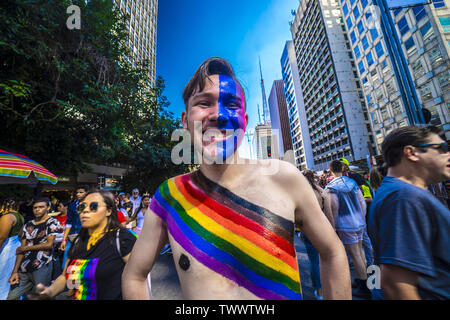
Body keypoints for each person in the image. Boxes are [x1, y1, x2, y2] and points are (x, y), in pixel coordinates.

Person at [122, 57, 351, 300]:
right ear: (184, 121)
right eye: (203, 103)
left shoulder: (284, 178)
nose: (219, 115)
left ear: (245, 122)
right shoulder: (170, 196)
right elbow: (134, 275)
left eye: (231, 105)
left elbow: (333, 251)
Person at [368, 125, 450, 300]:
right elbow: (397, 285)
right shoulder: (403, 197)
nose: (448, 154)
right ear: (411, 153)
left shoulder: (400, 192)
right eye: (441, 148)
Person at [35, 190, 137, 300]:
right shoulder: (78, 241)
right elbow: (65, 277)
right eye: (82, 207)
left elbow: (138, 281)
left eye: (93, 206)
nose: (85, 210)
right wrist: (49, 292)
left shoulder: (122, 239)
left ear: (108, 211)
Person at [326, 160, 371, 299]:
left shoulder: (331, 187)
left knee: (355, 255)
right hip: (359, 222)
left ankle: (365, 288)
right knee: (360, 252)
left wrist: (332, 227)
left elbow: (333, 208)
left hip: (345, 225)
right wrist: (362, 218)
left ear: (331, 170)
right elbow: (362, 202)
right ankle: (364, 280)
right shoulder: (352, 183)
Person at [7, 198, 62, 300]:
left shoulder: (52, 222)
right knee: (11, 296)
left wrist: (26, 248)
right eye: (35, 207)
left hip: (42, 265)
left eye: (41, 207)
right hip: (24, 267)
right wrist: (15, 271)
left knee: (39, 296)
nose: (37, 210)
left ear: (48, 208)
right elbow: (21, 250)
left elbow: (49, 244)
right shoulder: (28, 224)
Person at [300, 170, 333, 300]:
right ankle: (330, 287)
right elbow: (329, 213)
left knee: (314, 262)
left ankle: (319, 293)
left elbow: (302, 217)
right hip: (325, 228)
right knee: (328, 259)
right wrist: (333, 229)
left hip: (310, 231)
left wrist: (302, 231)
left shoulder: (303, 194)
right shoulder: (322, 192)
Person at [0, 199, 24, 300]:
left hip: (6, 248)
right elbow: (20, 234)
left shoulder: (7, 217)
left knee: (2, 275)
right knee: (7, 274)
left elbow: (2, 237)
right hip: (15, 246)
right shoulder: (20, 216)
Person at [52, 200, 69, 278]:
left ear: (66, 207)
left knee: (63, 261)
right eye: (58, 206)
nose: (58, 208)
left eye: (60, 206)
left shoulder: (69, 218)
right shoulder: (55, 218)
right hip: (55, 242)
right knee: (56, 260)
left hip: (65, 241)